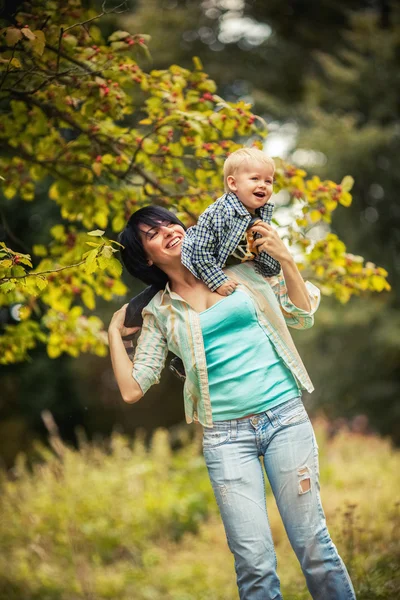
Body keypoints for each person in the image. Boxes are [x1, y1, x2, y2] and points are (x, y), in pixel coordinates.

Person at [109, 205, 356, 600]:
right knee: (254, 564)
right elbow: (132, 389)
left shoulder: (241, 268)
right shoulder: (159, 312)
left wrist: (287, 259)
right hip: (226, 440)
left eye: (169, 222)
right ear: (147, 258)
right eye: (152, 234)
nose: (168, 231)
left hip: (285, 418)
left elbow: (302, 312)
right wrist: (112, 334)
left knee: (313, 545)